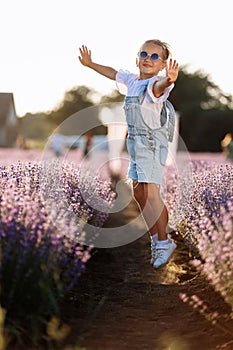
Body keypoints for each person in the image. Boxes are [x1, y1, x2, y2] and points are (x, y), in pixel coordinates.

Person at [78, 39, 179, 269]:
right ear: (136, 58)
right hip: (136, 143)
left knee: (152, 193)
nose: (148, 59)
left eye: (155, 57)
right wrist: (91, 64)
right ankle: (156, 239)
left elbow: (159, 87)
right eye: (144, 54)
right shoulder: (132, 80)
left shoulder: (157, 83)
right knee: (138, 193)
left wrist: (169, 79)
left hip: (152, 144)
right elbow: (113, 73)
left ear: (163, 64)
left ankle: (164, 243)